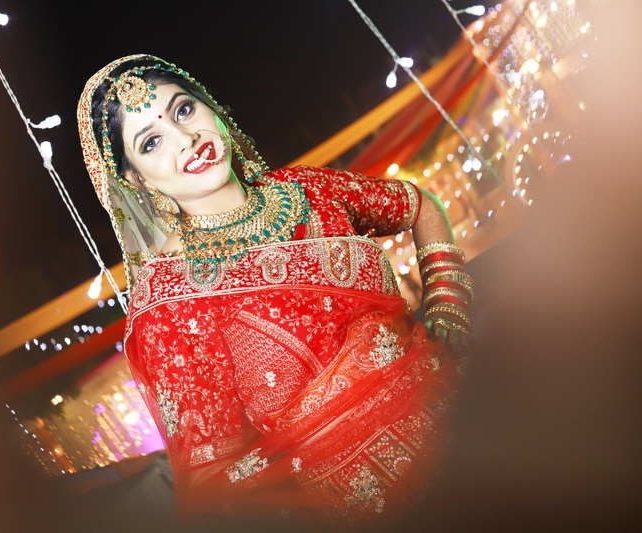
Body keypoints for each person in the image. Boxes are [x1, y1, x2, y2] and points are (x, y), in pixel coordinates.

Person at [77, 54, 473, 528]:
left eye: (183, 110)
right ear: (136, 179)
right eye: (152, 141)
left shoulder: (306, 189)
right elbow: (216, 482)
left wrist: (448, 301)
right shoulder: (171, 301)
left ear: (211, 108)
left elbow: (420, 205)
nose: (186, 138)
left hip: (471, 423)